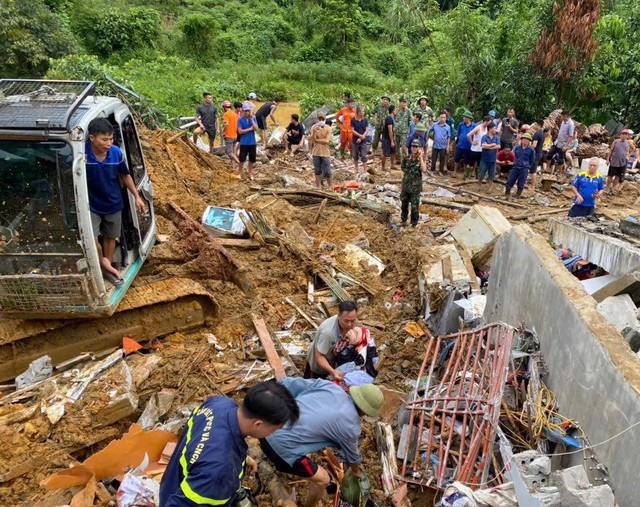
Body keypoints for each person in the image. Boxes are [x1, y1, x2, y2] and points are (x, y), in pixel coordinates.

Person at [160, 381, 300, 507]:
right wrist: (230, 462)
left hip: (172, 483)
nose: (273, 434)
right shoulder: (220, 469)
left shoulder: (218, 403)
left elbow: (204, 438)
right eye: (275, 429)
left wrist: (240, 458)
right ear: (258, 423)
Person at [260, 377, 383, 507]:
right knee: (323, 480)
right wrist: (357, 473)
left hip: (264, 427)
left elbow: (287, 383)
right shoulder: (352, 427)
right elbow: (352, 458)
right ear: (366, 411)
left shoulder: (330, 387)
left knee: (306, 447)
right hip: (278, 450)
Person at [85, 118, 146, 286]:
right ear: (92, 138)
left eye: (111, 139)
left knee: (111, 237)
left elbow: (125, 175)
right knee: (92, 237)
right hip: (91, 205)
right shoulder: (82, 155)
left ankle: (108, 266)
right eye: (104, 139)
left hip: (113, 203)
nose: (108, 143)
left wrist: (137, 196)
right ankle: (103, 263)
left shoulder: (116, 153)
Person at [305, 301, 358, 380]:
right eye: (346, 321)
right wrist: (333, 371)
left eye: (352, 321)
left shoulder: (351, 322)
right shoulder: (327, 333)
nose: (349, 324)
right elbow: (319, 356)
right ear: (339, 316)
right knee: (311, 388)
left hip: (332, 360)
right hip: (318, 367)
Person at [401, 139, 426, 227]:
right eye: (413, 146)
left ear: (419, 148)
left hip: (415, 188)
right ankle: (403, 220)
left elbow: (424, 169)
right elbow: (403, 167)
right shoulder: (407, 158)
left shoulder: (420, 159)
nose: (414, 148)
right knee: (404, 204)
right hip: (406, 186)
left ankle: (414, 223)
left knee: (415, 207)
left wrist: (421, 157)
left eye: (416, 146)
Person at [505, 132, 536, 199]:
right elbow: (512, 156)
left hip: (524, 168)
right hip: (516, 166)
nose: (525, 141)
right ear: (521, 140)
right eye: (524, 139)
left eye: (527, 140)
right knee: (510, 180)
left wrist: (527, 166)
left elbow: (532, 160)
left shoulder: (531, 150)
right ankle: (507, 195)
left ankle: (517, 196)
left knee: (521, 183)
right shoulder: (517, 148)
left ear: (529, 141)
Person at [544, 110, 575, 174]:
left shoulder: (571, 124)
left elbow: (571, 136)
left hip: (563, 144)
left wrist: (566, 146)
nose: (561, 117)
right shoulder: (563, 122)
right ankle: (547, 168)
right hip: (557, 142)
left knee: (560, 159)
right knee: (549, 154)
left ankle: (560, 173)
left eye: (562, 116)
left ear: (565, 116)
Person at [309, 112, 333, 189]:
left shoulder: (328, 128)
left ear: (324, 119)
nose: (321, 120)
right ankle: (319, 186)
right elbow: (312, 140)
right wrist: (315, 133)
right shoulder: (314, 127)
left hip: (325, 152)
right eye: (319, 119)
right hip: (316, 152)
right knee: (317, 170)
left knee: (327, 171)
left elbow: (327, 141)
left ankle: (330, 186)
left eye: (322, 119)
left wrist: (316, 140)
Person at [237, 103, 259, 180]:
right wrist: (250, 129)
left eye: (248, 111)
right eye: (245, 111)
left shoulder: (253, 118)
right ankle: (240, 173)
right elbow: (240, 131)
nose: (247, 112)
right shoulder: (240, 119)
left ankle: (250, 173)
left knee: (251, 159)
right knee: (242, 159)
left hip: (252, 142)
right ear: (243, 111)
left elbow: (256, 129)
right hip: (244, 142)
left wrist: (252, 120)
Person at [607, 128, 632, 193]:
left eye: (626, 134)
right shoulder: (616, 141)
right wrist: (607, 159)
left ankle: (613, 188)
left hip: (623, 163)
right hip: (614, 162)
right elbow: (610, 151)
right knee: (610, 176)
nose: (624, 135)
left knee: (617, 177)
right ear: (620, 135)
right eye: (623, 134)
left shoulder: (628, 143)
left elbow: (633, 149)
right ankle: (607, 187)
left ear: (627, 136)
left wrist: (628, 155)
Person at [478, 123, 501, 191]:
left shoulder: (496, 137)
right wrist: (492, 145)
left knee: (492, 174)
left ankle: (490, 187)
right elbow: (483, 146)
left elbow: (498, 146)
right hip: (484, 159)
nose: (495, 130)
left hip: (493, 160)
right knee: (481, 173)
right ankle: (479, 185)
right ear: (490, 129)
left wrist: (488, 146)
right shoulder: (484, 137)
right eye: (494, 128)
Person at [454, 111, 476, 178]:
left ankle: (465, 173)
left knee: (466, 161)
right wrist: (456, 142)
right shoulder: (461, 124)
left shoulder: (474, 126)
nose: (463, 118)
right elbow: (458, 134)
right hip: (460, 145)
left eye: (465, 117)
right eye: (463, 117)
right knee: (456, 159)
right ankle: (455, 172)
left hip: (468, 146)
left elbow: (475, 135)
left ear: (469, 118)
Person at [351, 106, 370, 173]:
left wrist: (362, 137)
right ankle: (356, 169)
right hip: (355, 141)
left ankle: (365, 170)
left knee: (364, 155)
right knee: (355, 155)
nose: (363, 112)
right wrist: (360, 136)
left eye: (363, 111)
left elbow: (367, 129)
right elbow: (352, 130)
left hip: (363, 141)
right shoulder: (353, 120)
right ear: (358, 112)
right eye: (362, 111)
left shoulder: (365, 120)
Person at [222, 100, 239, 170]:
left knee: (229, 153)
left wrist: (223, 132)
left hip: (229, 136)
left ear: (224, 107)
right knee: (232, 152)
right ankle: (233, 167)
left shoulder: (226, 114)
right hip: (235, 135)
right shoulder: (234, 114)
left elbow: (226, 124)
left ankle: (239, 163)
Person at [394, 97, 412, 164]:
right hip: (396, 131)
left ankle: (404, 160)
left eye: (405, 102)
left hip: (404, 132)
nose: (404, 103)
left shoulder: (408, 111)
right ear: (400, 103)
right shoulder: (396, 110)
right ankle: (397, 159)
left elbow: (411, 121)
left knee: (404, 146)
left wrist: (410, 132)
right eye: (403, 102)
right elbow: (393, 119)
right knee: (396, 146)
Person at [529, 120, 546, 190]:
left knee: (533, 170)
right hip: (539, 152)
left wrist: (528, 147)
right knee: (534, 169)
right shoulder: (542, 134)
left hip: (535, 153)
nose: (534, 125)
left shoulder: (537, 134)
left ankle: (533, 186)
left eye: (535, 124)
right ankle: (533, 183)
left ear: (538, 125)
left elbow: (534, 145)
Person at [381, 105, 396, 171]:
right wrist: (392, 141)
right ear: (393, 111)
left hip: (390, 138)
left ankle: (392, 165)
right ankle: (383, 167)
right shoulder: (389, 118)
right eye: (396, 109)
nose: (397, 111)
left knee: (393, 152)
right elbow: (390, 130)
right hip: (387, 138)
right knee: (385, 153)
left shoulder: (392, 118)